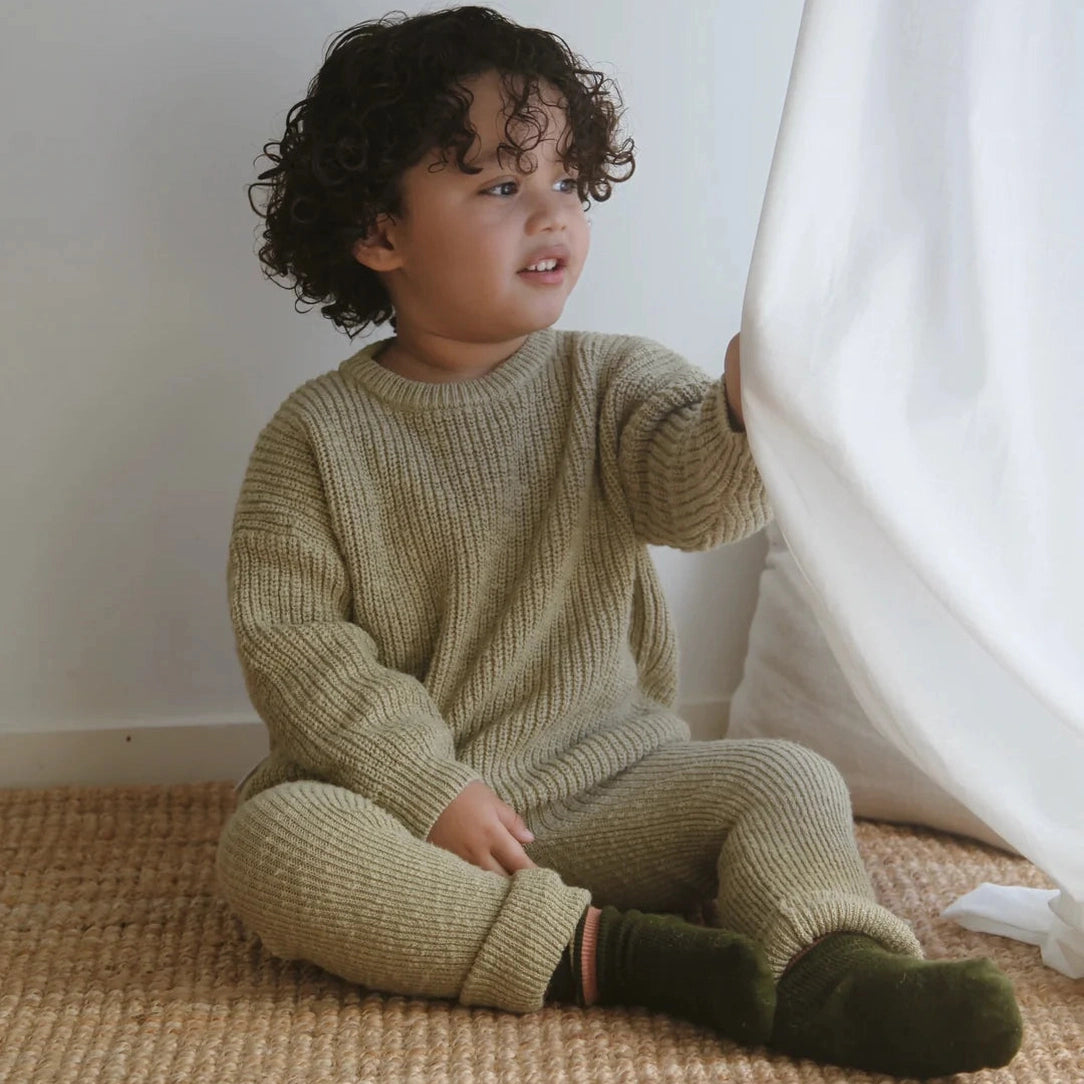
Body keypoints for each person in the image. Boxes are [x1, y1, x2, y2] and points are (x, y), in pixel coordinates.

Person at [217, 7, 1022, 1077]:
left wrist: (740, 410)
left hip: (615, 791)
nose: (552, 213)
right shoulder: (316, 437)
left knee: (786, 776)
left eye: (567, 181)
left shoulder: (607, 380)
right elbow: (299, 651)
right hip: (414, 815)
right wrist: (428, 788)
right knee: (271, 847)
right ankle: (618, 956)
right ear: (380, 234)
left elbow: (695, 501)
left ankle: (831, 968)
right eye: (501, 187)